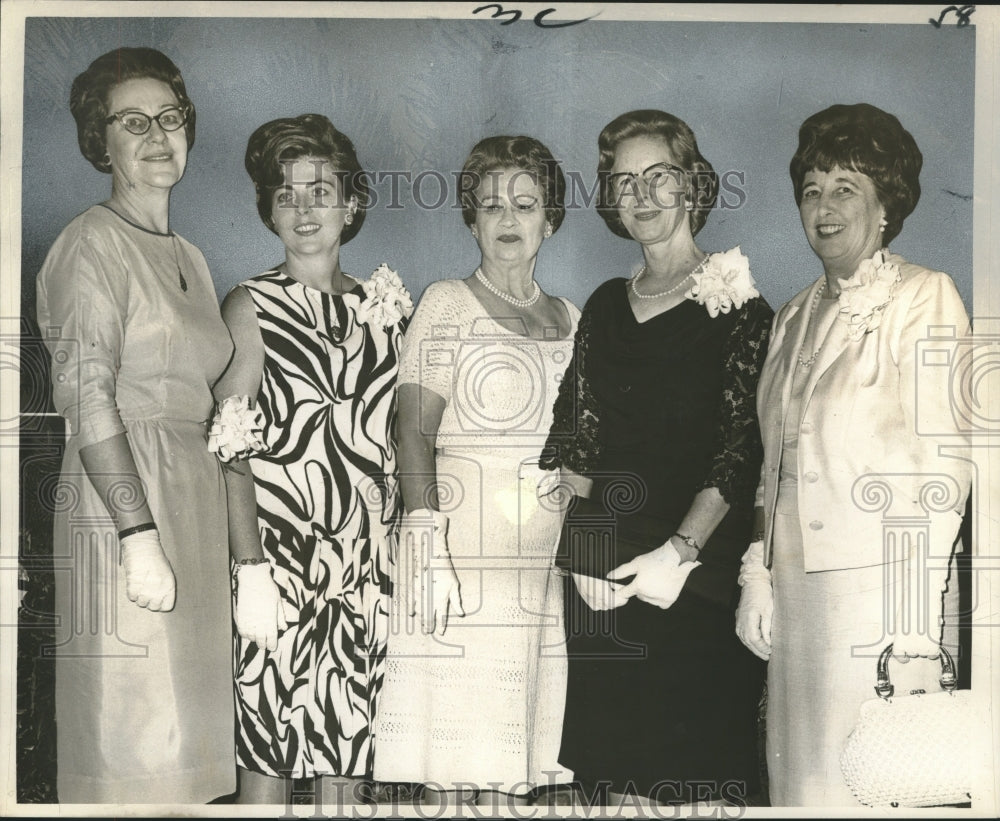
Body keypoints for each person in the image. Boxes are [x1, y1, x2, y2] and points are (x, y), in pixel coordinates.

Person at [734, 103, 972, 807]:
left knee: (876, 785)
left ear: (885, 205)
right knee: (802, 790)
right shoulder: (792, 315)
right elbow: (769, 466)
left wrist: (913, 631)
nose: (824, 206)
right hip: (799, 606)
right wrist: (758, 569)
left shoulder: (926, 297)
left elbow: (944, 472)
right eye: (812, 189)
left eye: (846, 187)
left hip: (881, 603)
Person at [540, 109, 773, 807]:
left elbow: (741, 450)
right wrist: (582, 556)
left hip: (692, 583)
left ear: (692, 184)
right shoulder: (607, 305)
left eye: (658, 176)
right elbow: (574, 444)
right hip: (602, 582)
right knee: (612, 783)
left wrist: (680, 551)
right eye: (623, 181)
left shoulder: (743, 307)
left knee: (694, 778)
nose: (641, 195)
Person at [34, 47, 235, 803]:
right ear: (101, 141)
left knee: (194, 753)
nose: (159, 135)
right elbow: (87, 398)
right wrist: (136, 536)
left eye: (172, 117)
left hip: (193, 496)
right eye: (133, 121)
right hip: (123, 501)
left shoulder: (192, 256)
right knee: (136, 744)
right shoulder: (90, 244)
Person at [372, 135, 579, 809]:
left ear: (549, 219)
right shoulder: (447, 303)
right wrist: (425, 538)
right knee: (460, 766)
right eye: (491, 206)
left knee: (518, 766)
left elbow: (582, 443)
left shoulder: (573, 320)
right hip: (459, 558)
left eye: (526, 204)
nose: (509, 219)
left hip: (539, 566)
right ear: (472, 219)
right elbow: (412, 429)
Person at [213, 113, 412, 804]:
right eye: (287, 194)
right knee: (265, 770)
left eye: (320, 191)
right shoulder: (250, 304)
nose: (304, 209)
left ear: (351, 203)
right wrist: (250, 572)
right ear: (269, 209)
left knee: (346, 778)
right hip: (281, 572)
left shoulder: (384, 309)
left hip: (363, 577)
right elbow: (230, 443)